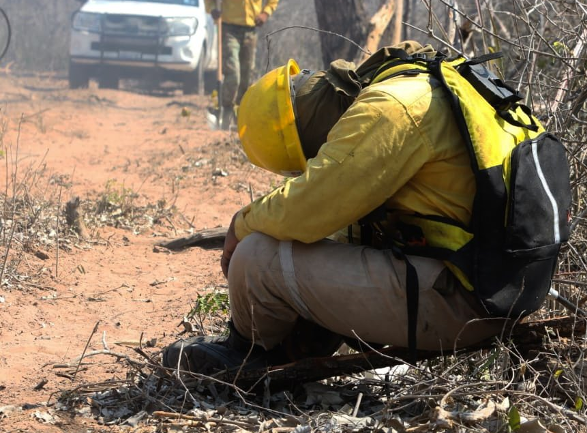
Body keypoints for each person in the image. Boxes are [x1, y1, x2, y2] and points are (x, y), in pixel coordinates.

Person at [162, 42, 559, 379]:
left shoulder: (390, 107)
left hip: (464, 303)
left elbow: (309, 207)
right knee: (334, 232)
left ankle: (248, 357)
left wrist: (240, 225)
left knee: (256, 257)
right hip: (495, 290)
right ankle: (301, 340)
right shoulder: (426, 85)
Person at [205, 0, 280, 130]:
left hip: (250, 33)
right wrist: (214, 10)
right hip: (229, 30)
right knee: (234, 75)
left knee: (247, 78)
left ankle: (242, 117)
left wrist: (265, 13)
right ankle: (225, 111)